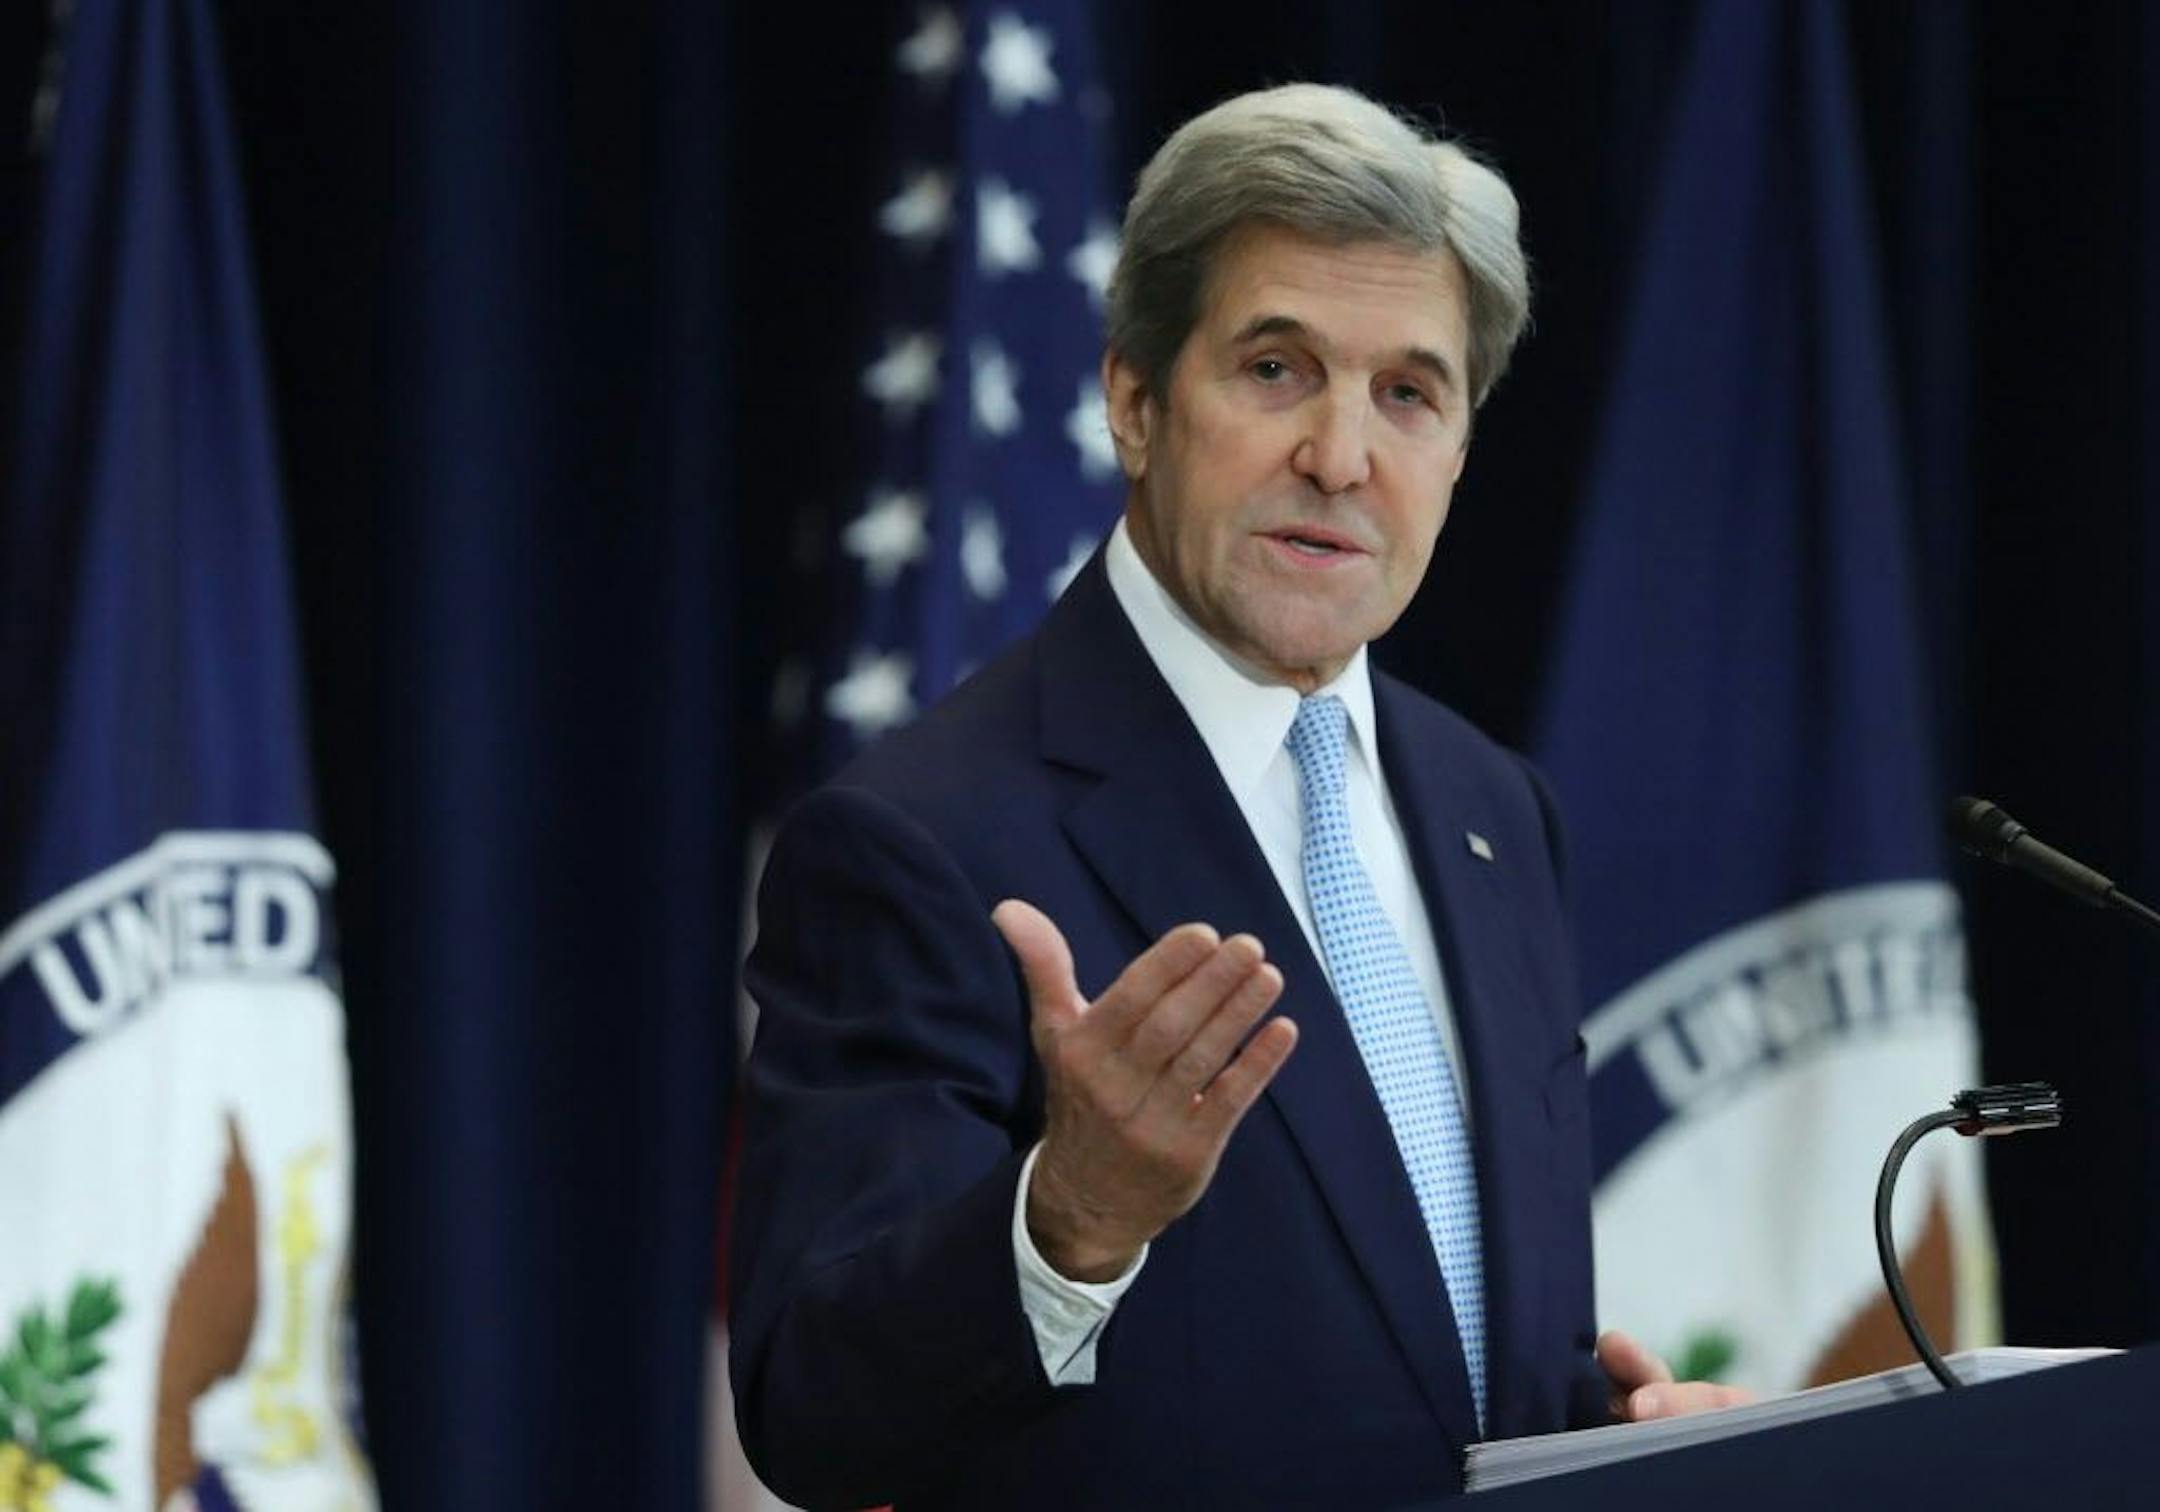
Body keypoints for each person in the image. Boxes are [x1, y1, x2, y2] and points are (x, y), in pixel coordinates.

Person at [729, 83, 1745, 1511]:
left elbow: (1400, 1347)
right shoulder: (921, 836)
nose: (1341, 458)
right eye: (1277, 370)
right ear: (1134, 402)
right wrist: (1069, 1222)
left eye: (1409, 392)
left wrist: (1604, 1433)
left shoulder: (1495, 809)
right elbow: (814, 1411)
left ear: (1459, 447)